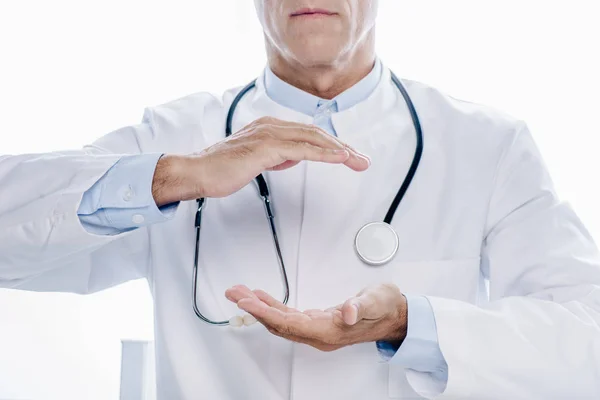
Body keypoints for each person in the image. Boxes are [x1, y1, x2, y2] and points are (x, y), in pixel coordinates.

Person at [1, 0, 599, 398]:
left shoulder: (487, 146)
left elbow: (586, 339)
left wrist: (410, 322)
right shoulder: (175, 139)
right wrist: (177, 177)